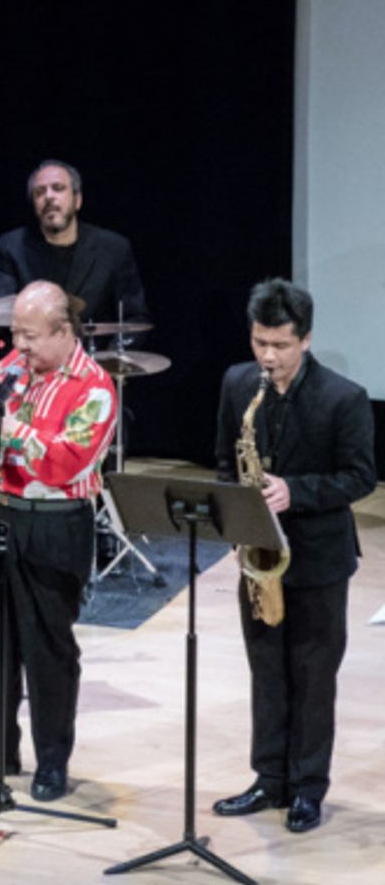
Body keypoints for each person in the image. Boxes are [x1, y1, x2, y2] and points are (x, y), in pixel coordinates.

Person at [211, 278, 374, 834]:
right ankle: (268, 780)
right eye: (260, 342)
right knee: (266, 673)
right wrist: (236, 526)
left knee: (312, 676)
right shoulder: (237, 384)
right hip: (259, 555)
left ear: (305, 339)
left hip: (319, 560)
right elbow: (222, 468)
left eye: (280, 345)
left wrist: (294, 492)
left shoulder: (344, 398)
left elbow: (360, 477)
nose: (268, 356)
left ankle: (307, 788)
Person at [0, 280, 116, 802]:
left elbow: (65, 461)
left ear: (64, 332)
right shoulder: (14, 372)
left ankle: (52, 762)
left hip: (57, 523)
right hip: (6, 516)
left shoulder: (95, 387)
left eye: (31, 336)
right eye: (16, 333)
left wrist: (3, 425)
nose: (20, 347)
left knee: (48, 651)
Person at [0, 160, 149, 330]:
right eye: (40, 192)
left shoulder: (114, 248)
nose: (48, 196)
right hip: (36, 355)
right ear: (34, 204)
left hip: (95, 355)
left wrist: (109, 356)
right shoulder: (11, 247)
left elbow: (135, 319)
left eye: (58, 188)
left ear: (77, 200)